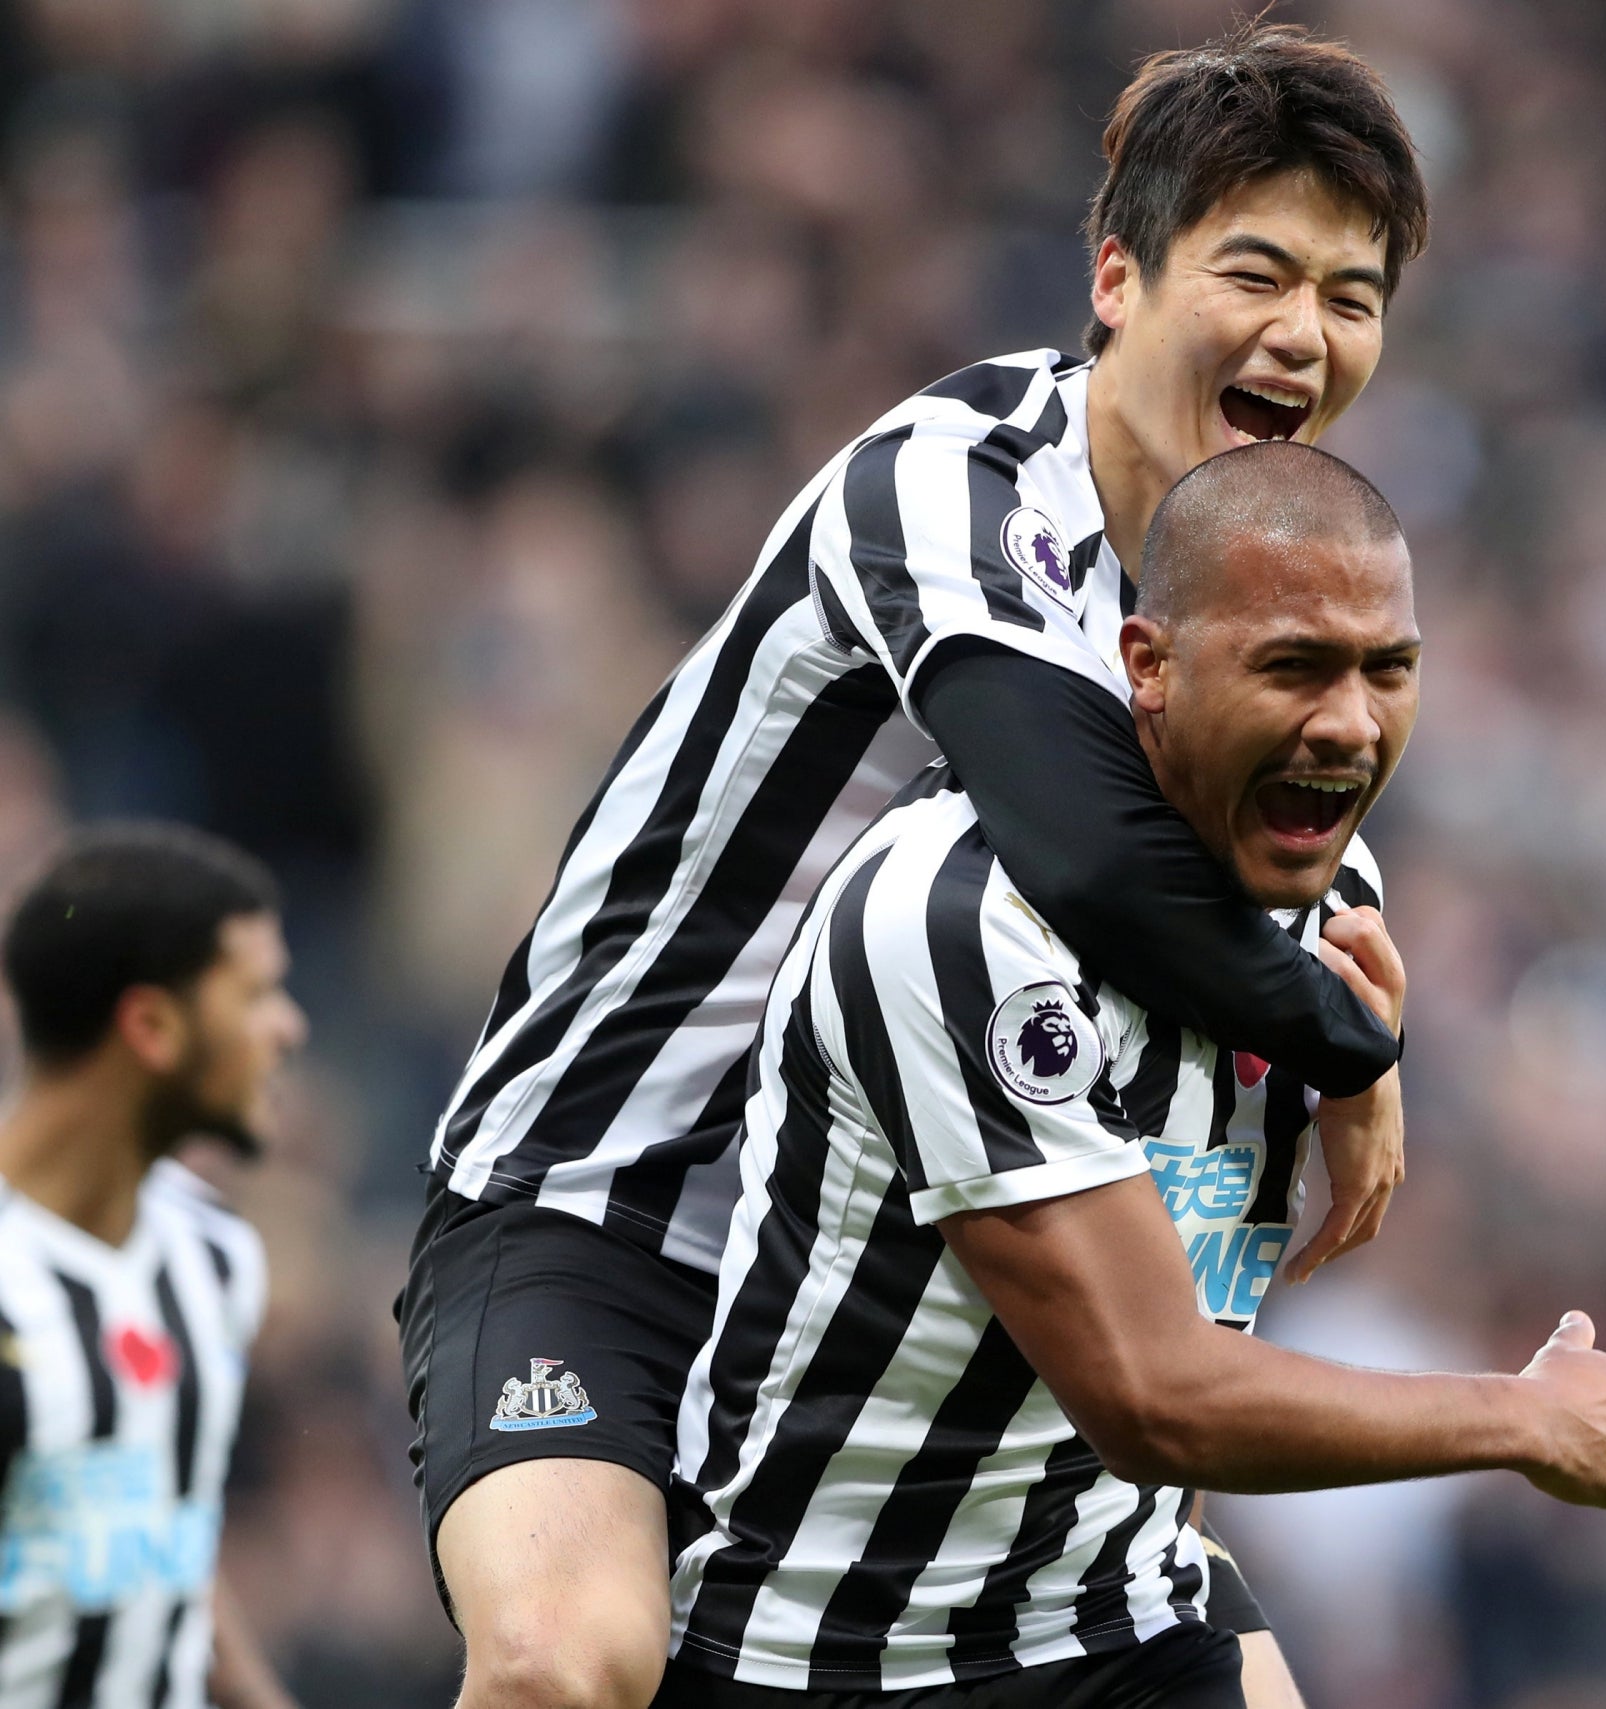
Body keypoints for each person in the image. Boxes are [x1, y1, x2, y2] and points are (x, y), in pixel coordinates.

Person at [398, 21, 1431, 1709]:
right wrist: (1352, 1045)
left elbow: (1306, 823)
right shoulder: (953, 477)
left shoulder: (1248, 589)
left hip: (883, 1264)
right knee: (564, 1661)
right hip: (615, 1201)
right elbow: (1092, 850)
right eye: (1257, 270)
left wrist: (1359, 972)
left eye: (1353, 294)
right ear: (1118, 276)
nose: (1303, 333)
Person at [658, 442, 1606, 1709]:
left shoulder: (1327, 899)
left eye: (1388, 670)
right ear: (1149, 666)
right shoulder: (960, 919)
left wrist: (1361, 1069)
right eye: (1294, 665)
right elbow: (1152, 1389)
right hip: (838, 1651)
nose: (1351, 724)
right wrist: (1518, 1416)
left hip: (1118, 1610)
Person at [0, 825, 307, 1709]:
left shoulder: (212, 1256)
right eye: (256, 993)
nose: (289, 1027)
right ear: (151, 1025)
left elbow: (167, 1543)